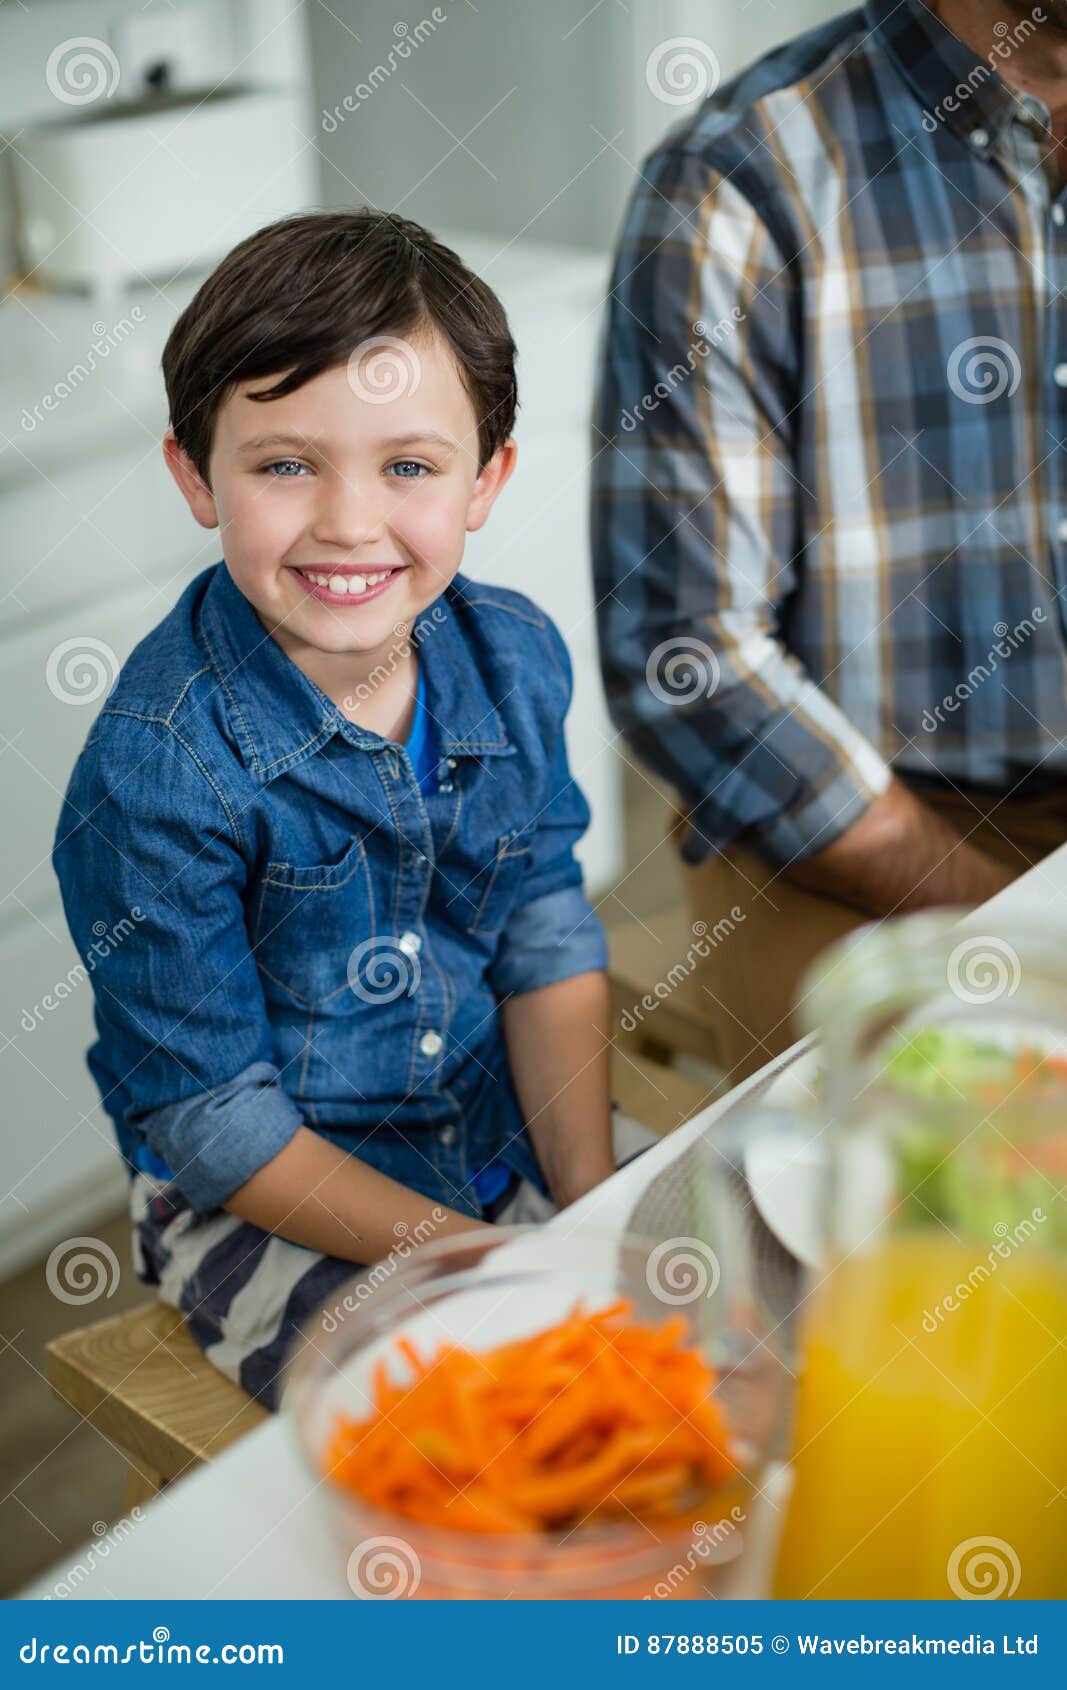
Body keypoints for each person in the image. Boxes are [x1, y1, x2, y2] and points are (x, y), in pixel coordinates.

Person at [52, 209, 653, 1410]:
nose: (346, 522)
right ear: (194, 473)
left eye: (409, 466)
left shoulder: (516, 655)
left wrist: (581, 1203)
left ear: (486, 479)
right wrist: (477, 1261)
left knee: (722, 1301)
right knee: (481, 1426)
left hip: (495, 1121)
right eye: (284, 464)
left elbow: (543, 929)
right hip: (264, 1201)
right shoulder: (156, 770)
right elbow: (220, 1125)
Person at [592, 0, 1067, 1084]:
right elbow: (688, 663)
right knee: (967, 1180)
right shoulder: (734, 180)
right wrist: (1010, 930)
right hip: (862, 839)